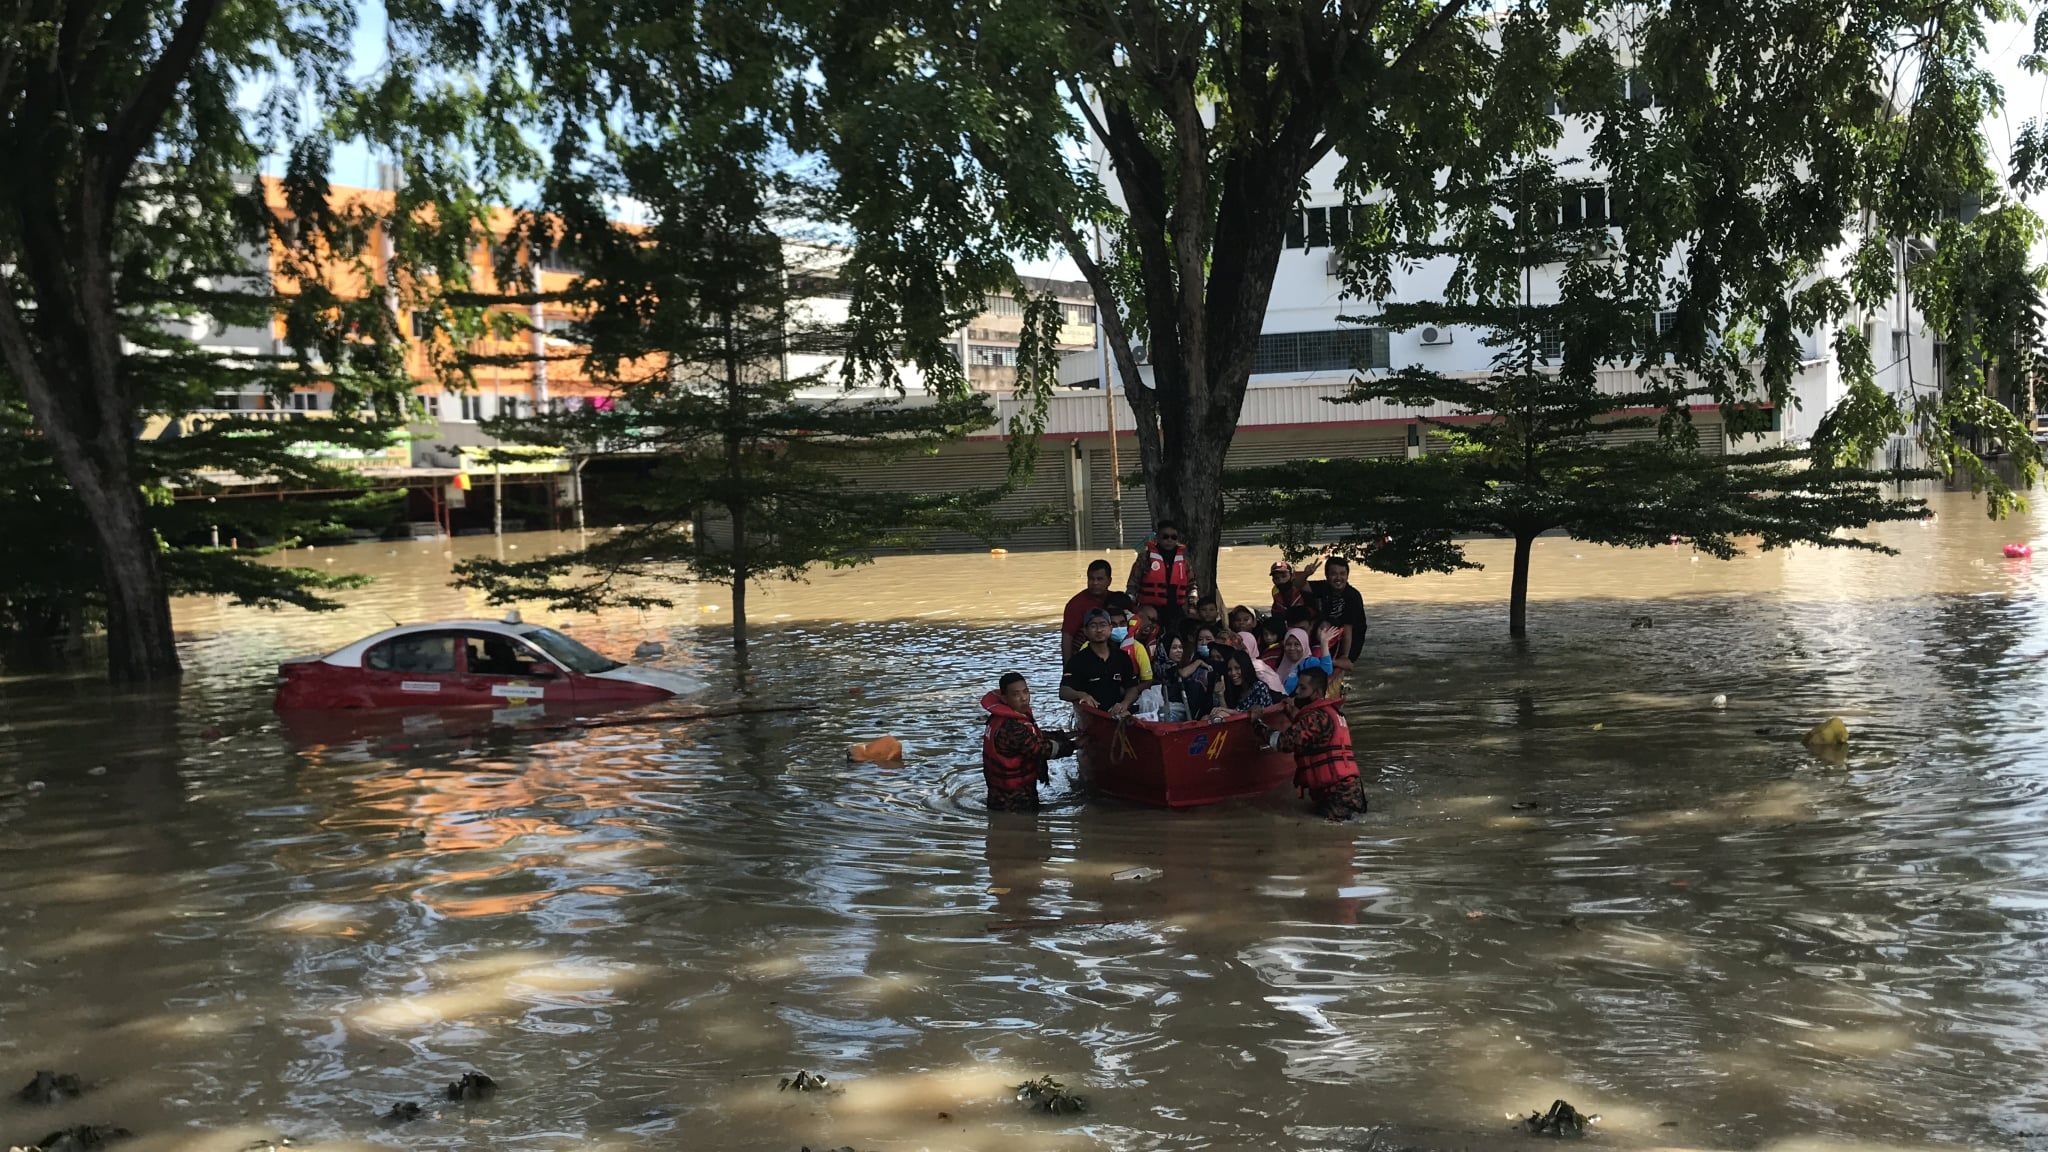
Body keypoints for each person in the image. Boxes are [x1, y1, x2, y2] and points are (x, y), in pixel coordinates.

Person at [1257, 664, 1367, 820]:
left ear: (1316, 693)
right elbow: (1312, 736)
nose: (1297, 692)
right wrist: (1294, 717)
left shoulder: (1315, 717)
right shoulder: (1329, 713)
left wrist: (1257, 725)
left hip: (1337, 798)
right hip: (1348, 792)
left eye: (1303, 688)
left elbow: (1282, 742)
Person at [981, 672, 1078, 812]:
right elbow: (1040, 749)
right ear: (1004, 698)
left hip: (1001, 797)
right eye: (1016, 694)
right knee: (1026, 830)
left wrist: (1064, 736)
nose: (1024, 698)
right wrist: (1076, 745)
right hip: (1014, 803)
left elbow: (1033, 736)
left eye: (1026, 692)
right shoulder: (1011, 728)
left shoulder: (999, 719)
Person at [1060, 609, 1144, 718]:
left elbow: (1132, 688)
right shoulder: (1078, 660)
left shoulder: (1122, 657)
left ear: (1110, 628)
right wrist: (1081, 695)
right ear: (1085, 631)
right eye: (1093, 626)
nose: (1099, 630)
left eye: (1103, 625)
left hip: (1118, 712)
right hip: (1092, 715)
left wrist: (1124, 704)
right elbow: (1063, 691)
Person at [1294, 556, 1370, 671]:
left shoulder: (1352, 596)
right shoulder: (1324, 587)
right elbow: (1297, 585)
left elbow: (1348, 628)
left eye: (1342, 574)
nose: (1338, 578)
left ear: (1347, 575)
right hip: (1328, 631)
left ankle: (1333, 662)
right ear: (1327, 576)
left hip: (1352, 638)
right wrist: (1306, 574)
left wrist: (1345, 656)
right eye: (1334, 574)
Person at [1129, 519, 1195, 627]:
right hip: (1151, 610)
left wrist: (1192, 605)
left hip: (1177, 609)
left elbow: (1192, 585)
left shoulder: (1183, 560)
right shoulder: (1145, 558)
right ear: (1158, 538)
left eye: (1173, 537)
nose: (1169, 540)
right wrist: (1130, 605)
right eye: (1165, 536)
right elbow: (1133, 584)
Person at [1061, 559, 1115, 656]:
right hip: (1083, 655)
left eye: (1099, 579)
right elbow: (1067, 637)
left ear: (1109, 581)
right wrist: (1067, 667)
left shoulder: (1117, 600)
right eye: (1091, 579)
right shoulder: (1075, 604)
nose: (1095, 583)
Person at [1207, 648, 1279, 719]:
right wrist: (1220, 695)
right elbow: (1227, 717)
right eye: (1229, 669)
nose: (1233, 673)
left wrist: (1231, 712)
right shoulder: (1234, 688)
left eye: (1237, 668)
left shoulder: (1259, 687)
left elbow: (1258, 715)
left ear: (1246, 668)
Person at [1156, 633, 1214, 719]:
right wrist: (1199, 662)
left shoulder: (1172, 664)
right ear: (1165, 649)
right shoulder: (1164, 666)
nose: (1179, 650)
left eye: (1180, 647)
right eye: (1174, 648)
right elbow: (1183, 673)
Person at [1102, 593, 1154, 682]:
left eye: (1121, 623)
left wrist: (1134, 691)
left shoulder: (1137, 648)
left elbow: (1147, 680)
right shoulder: (1090, 646)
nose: (1115, 615)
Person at [1269, 561, 1315, 628]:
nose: (1280, 581)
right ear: (1273, 580)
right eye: (1276, 578)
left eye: (1284, 576)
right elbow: (1276, 613)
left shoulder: (1302, 587)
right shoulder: (1276, 593)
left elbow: (1314, 611)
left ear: (1292, 576)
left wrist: (1306, 574)